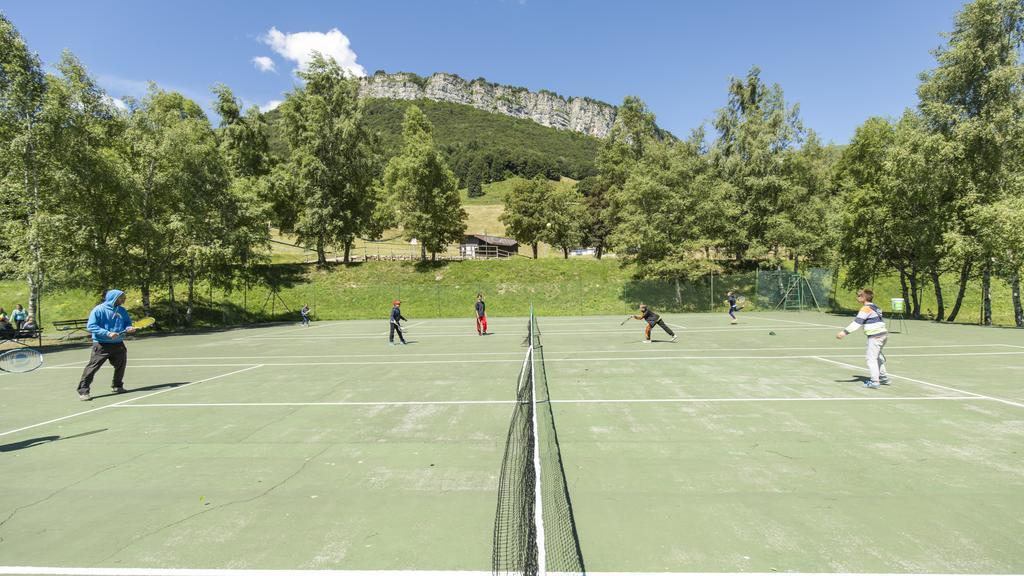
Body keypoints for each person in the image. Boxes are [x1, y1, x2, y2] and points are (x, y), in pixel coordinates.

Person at [76, 289, 136, 401]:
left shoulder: (122, 310)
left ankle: (117, 386)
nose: (123, 300)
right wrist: (107, 333)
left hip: (118, 344)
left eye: (124, 298)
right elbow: (91, 326)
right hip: (101, 345)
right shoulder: (98, 310)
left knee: (120, 365)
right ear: (113, 298)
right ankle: (83, 391)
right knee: (93, 368)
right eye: (121, 298)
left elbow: (127, 323)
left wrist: (129, 328)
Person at [836, 288, 890, 389]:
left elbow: (857, 323)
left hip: (876, 336)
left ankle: (875, 382)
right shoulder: (876, 307)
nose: (857, 297)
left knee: (871, 359)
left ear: (864, 297)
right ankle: (883, 378)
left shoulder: (865, 308)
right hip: (883, 335)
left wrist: (844, 332)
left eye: (859, 295)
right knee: (877, 356)